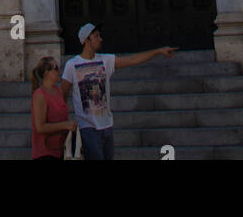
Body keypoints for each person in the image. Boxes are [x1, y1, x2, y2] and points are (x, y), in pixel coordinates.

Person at [61, 22, 177, 160]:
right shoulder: (71, 65)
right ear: (87, 40)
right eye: (96, 36)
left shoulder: (106, 60)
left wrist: (158, 51)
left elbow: (133, 59)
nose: (100, 39)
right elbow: (63, 95)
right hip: (87, 128)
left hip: (106, 126)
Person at [31, 56, 77, 160]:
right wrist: (64, 125)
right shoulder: (39, 95)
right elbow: (40, 127)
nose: (59, 71)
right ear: (46, 73)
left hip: (61, 150)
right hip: (45, 152)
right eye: (56, 68)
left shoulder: (58, 91)